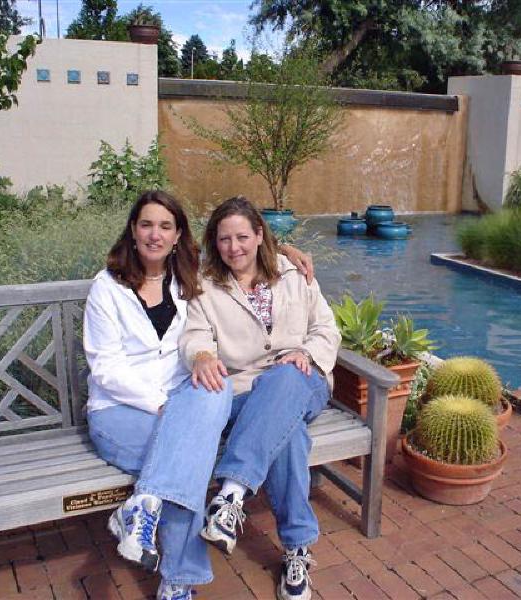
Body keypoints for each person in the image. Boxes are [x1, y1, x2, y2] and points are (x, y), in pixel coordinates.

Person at [83, 190, 314, 600]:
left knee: (215, 388)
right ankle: (179, 578)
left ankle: (146, 506)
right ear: (133, 231)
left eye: (165, 226)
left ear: (178, 237)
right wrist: (162, 405)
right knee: (188, 456)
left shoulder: (188, 277)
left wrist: (285, 251)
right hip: (122, 409)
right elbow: (106, 369)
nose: (155, 234)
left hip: (182, 400)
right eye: (146, 224)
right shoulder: (107, 288)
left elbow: (241, 247)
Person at [181, 196, 341, 600]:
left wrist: (304, 352)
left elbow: (327, 330)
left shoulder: (294, 273)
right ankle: (297, 549)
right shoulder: (206, 286)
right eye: (224, 240)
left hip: (303, 378)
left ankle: (230, 493)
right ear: (214, 243)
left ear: (259, 235)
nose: (234, 248)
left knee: (285, 377)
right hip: (244, 391)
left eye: (242, 237)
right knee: (289, 438)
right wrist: (200, 354)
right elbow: (196, 335)